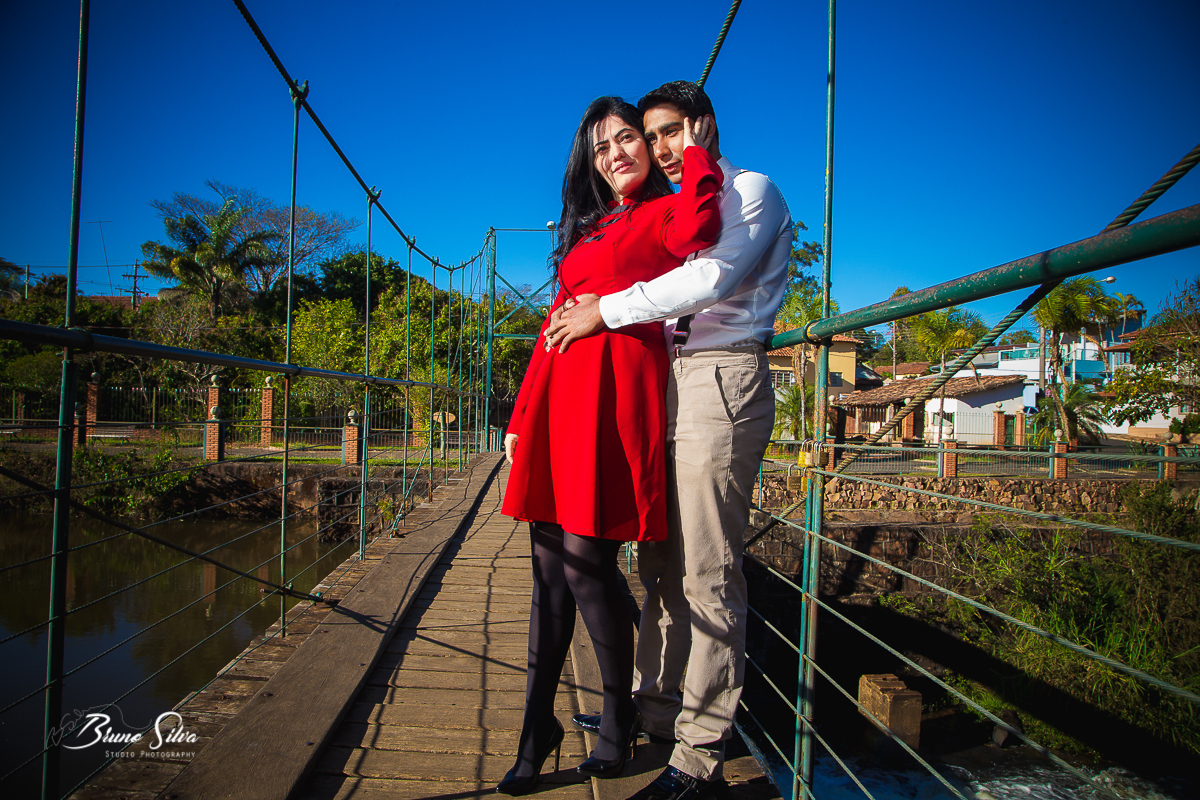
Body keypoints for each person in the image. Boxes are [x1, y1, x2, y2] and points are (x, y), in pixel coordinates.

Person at [543, 80, 793, 800]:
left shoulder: (752, 191)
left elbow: (710, 278)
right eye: (649, 137)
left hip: (720, 379)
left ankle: (698, 750)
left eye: (672, 131)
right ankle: (653, 709)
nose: (660, 150)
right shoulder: (682, 202)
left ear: (705, 124)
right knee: (659, 564)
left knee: (709, 574)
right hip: (668, 378)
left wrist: (605, 311)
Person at [496, 95, 723, 795]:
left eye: (626, 138)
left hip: (613, 400)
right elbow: (551, 327)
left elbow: (703, 226)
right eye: (601, 147)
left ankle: (619, 713)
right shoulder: (589, 232)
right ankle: (539, 726)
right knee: (546, 570)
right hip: (557, 403)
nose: (616, 153)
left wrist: (695, 151)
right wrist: (519, 415)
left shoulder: (665, 211)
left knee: (587, 562)